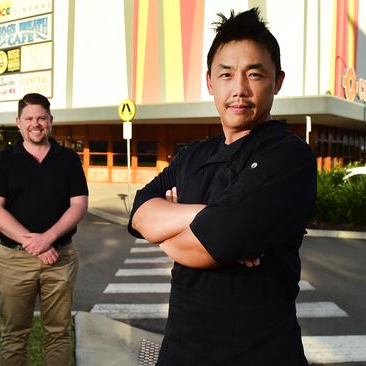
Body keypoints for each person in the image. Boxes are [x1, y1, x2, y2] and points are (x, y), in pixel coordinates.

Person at [128, 8, 316, 365]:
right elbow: (140, 212)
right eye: (226, 75)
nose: (239, 89)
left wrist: (170, 227)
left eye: (255, 74)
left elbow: (210, 246)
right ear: (210, 82)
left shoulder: (289, 157)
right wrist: (210, 216)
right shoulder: (194, 154)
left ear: (277, 81)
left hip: (260, 353)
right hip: (181, 350)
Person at [0, 93, 88, 365]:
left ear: (51, 121)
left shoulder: (68, 159)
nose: (36, 123)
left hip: (61, 258)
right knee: (14, 335)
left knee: (58, 333)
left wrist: (49, 238)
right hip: (14, 261)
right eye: (29, 118)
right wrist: (35, 243)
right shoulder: (3, 161)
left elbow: (78, 205)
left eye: (41, 118)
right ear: (18, 123)